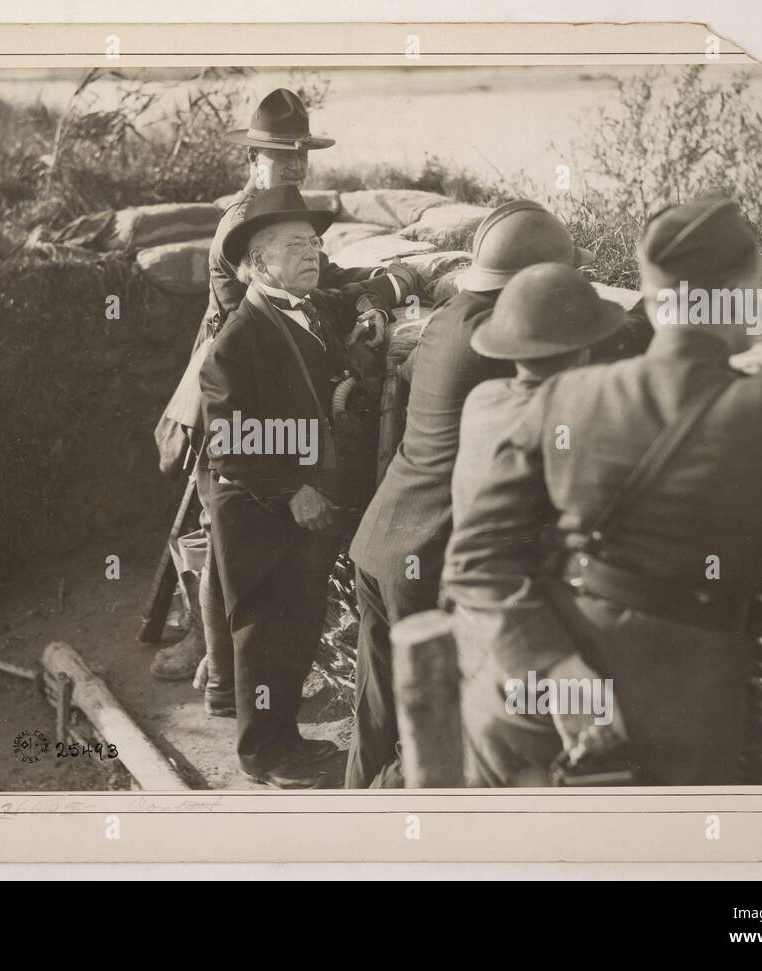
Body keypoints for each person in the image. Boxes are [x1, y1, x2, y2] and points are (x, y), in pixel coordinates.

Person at [447, 194, 762, 785]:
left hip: (528, 707)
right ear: (742, 292)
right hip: (670, 720)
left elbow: (476, 556)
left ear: (652, 294)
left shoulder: (568, 396)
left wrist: (557, 669)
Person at [344, 200, 620, 789]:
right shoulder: (501, 347)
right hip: (427, 559)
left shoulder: (450, 318)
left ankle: (345, 832)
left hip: (381, 539)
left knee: (373, 717)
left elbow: (417, 371)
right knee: (426, 731)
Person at [152, 88, 414, 707]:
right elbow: (271, 300)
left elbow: (320, 274)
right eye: (279, 152)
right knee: (230, 528)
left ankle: (218, 664)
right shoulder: (242, 219)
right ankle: (220, 673)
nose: (293, 163)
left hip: (260, 364)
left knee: (228, 526)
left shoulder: (280, 204)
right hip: (240, 373)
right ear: (253, 157)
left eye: (301, 152)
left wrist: (378, 287)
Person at [199, 185, 389, 788]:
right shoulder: (237, 339)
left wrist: (381, 304)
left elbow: (356, 295)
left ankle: (287, 741)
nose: (311, 253)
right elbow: (229, 441)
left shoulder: (311, 309)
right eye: (294, 246)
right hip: (260, 510)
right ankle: (263, 756)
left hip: (305, 507)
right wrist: (292, 493)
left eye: (313, 242)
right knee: (262, 633)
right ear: (256, 263)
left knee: (298, 629)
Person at [441, 262, 628, 786]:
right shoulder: (576, 424)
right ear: (590, 347)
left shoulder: (483, 401)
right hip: (534, 664)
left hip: (478, 643)